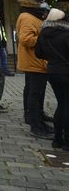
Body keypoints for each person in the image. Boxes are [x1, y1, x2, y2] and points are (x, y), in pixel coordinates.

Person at [17, 0, 54, 140]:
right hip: (34, 60)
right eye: (41, 1)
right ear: (33, 3)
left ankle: (36, 118)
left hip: (36, 60)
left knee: (33, 91)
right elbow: (25, 39)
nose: (43, 4)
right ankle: (36, 125)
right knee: (35, 93)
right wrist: (46, 39)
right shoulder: (27, 17)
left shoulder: (32, 15)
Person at [35, 8, 69, 150]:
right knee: (67, 105)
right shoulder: (66, 34)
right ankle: (67, 141)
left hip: (53, 71)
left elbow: (38, 53)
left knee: (61, 104)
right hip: (66, 71)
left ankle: (57, 139)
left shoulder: (44, 33)